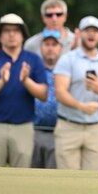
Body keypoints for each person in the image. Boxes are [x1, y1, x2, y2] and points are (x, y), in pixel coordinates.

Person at [0, 13, 48, 168]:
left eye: (16, 30)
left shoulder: (33, 59)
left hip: (23, 126)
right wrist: (1, 81)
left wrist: (26, 81)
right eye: (6, 30)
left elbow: (43, 94)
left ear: (23, 35)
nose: (11, 34)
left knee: (22, 178)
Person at [54, 16, 98, 171]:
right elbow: (60, 92)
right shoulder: (67, 59)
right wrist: (80, 106)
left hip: (95, 129)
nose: (91, 35)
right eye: (87, 31)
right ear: (79, 33)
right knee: (67, 182)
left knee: (94, 182)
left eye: (95, 31)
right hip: (68, 127)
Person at [32, 30, 61, 169]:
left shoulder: (66, 71)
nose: (50, 48)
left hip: (58, 132)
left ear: (60, 48)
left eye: (54, 45)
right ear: (41, 47)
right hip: (33, 131)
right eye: (47, 44)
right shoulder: (32, 70)